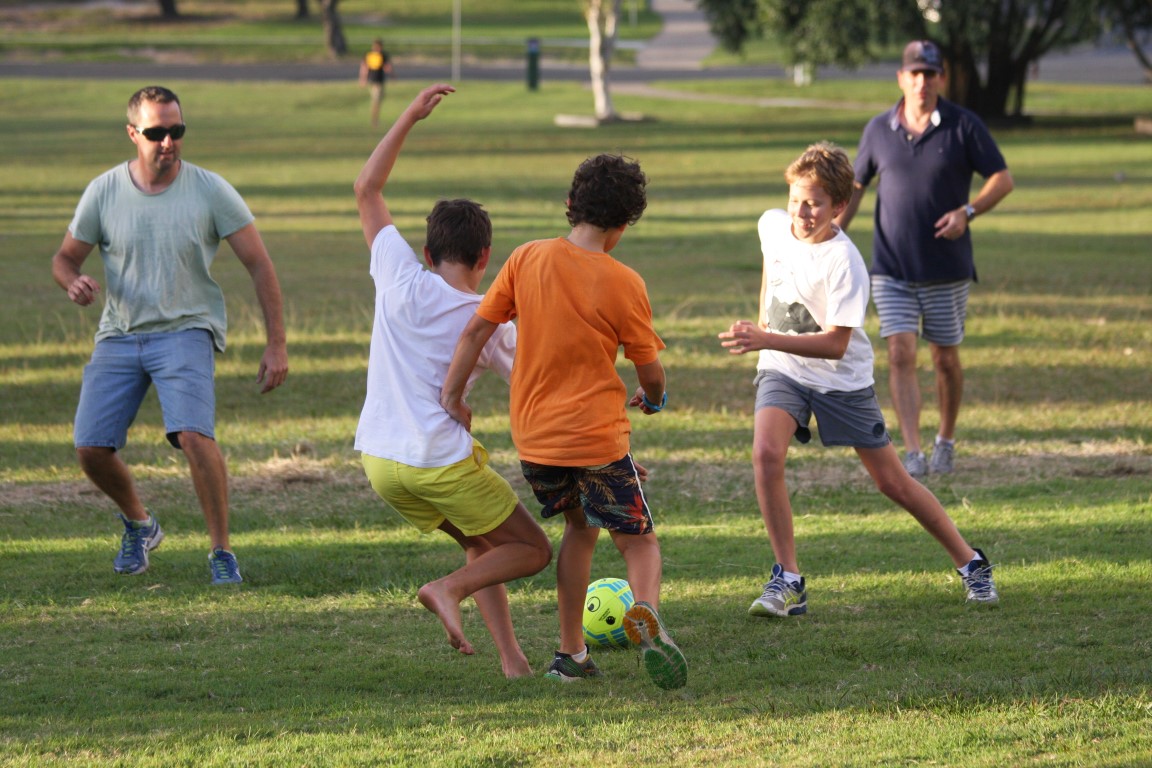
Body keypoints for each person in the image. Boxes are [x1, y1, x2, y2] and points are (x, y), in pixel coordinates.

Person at [718, 142, 999, 617]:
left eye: (814, 204)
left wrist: (765, 336)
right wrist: (764, 333)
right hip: (783, 370)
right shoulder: (771, 224)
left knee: (893, 483)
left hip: (839, 380)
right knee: (765, 454)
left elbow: (835, 344)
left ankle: (971, 563)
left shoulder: (845, 263)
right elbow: (772, 267)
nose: (801, 212)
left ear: (840, 206)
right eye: (795, 200)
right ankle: (788, 579)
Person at [440, 154, 688, 690]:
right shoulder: (625, 282)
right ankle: (646, 615)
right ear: (625, 224)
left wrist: (452, 394)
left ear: (570, 205)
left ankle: (570, 654)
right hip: (597, 438)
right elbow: (650, 370)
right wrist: (654, 399)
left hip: (536, 443)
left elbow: (474, 334)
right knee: (637, 539)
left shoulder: (526, 258)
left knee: (580, 529)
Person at [51, 85, 289, 585]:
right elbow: (65, 256)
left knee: (193, 436)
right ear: (133, 133)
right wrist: (72, 279)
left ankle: (221, 551)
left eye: (176, 131)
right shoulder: (104, 190)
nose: (168, 141)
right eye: (157, 132)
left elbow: (260, 265)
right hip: (120, 333)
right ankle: (140, 523)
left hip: (186, 328)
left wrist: (276, 343)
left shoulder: (210, 189)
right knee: (90, 447)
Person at [353, 83, 553, 678]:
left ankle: (513, 661)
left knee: (481, 547)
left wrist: (410, 117)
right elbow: (533, 390)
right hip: (435, 459)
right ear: (485, 256)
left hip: (379, 461)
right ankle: (445, 590)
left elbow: (366, 188)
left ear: (425, 248)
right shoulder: (488, 317)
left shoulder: (396, 274)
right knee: (531, 550)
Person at [836, 40, 1014, 478]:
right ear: (901, 78)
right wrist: (831, 234)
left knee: (945, 360)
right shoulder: (878, 129)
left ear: (941, 79)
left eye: (930, 73)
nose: (922, 81)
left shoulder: (963, 125)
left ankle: (946, 440)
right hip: (891, 268)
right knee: (899, 353)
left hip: (947, 270)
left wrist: (967, 212)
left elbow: (1003, 179)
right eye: (914, 73)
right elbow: (856, 187)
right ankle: (913, 451)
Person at [358, 38, 393, 128]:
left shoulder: (382, 55)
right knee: (376, 100)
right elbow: (364, 67)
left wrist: (392, 75)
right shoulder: (369, 55)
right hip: (374, 81)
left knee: (379, 100)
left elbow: (387, 67)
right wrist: (363, 79)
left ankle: (375, 119)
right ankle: (374, 120)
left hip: (381, 80)